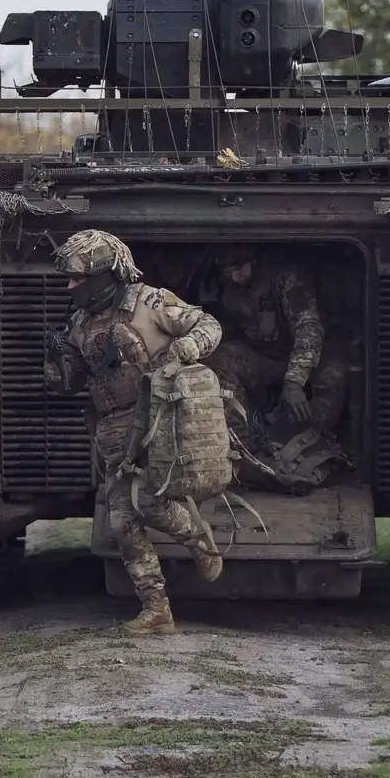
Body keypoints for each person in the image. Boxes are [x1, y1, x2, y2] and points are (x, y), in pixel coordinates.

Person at [46, 229, 225, 636]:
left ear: (103, 275)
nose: (69, 285)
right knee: (121, 523)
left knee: (152, 503)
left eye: (76, 278)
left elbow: (208, 324)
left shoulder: (150, 302)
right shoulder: (79, 323)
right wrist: (57, 361)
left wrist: (188, 348)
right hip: (112, 428)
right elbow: (70, 383)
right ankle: (156, 608)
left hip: (160, 417)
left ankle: (198, 537)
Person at [201, 246, 347, 434]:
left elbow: (309, 330)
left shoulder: (287, 279)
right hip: (267, 355)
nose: (235, 278)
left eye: (238, 269)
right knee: (218, 361)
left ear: (253, 260)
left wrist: (294, 383)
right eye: (228, 273)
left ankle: (308, 440)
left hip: (308, 357)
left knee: (334, 376)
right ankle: (244, 441)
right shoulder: (227, 287)